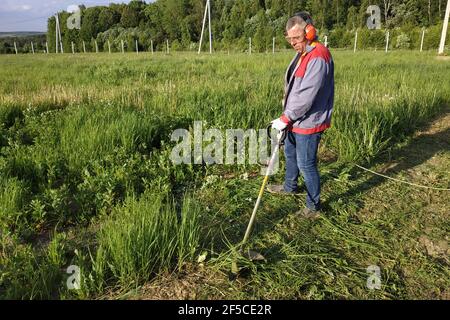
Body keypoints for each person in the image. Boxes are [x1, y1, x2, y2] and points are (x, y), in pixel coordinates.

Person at [268, 12, 335, 218]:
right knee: (290, 155)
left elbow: (307, 96)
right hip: (295, 120)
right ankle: (290, 186)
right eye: (289, 39)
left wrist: (286, 118)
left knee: (306, 164)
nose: (293, 43)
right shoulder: (303, 53)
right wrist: (287, 117)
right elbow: (294, 88)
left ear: (309, 32)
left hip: (309, 122)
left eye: (296, 38)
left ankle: (313, 206)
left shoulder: (318, 56)